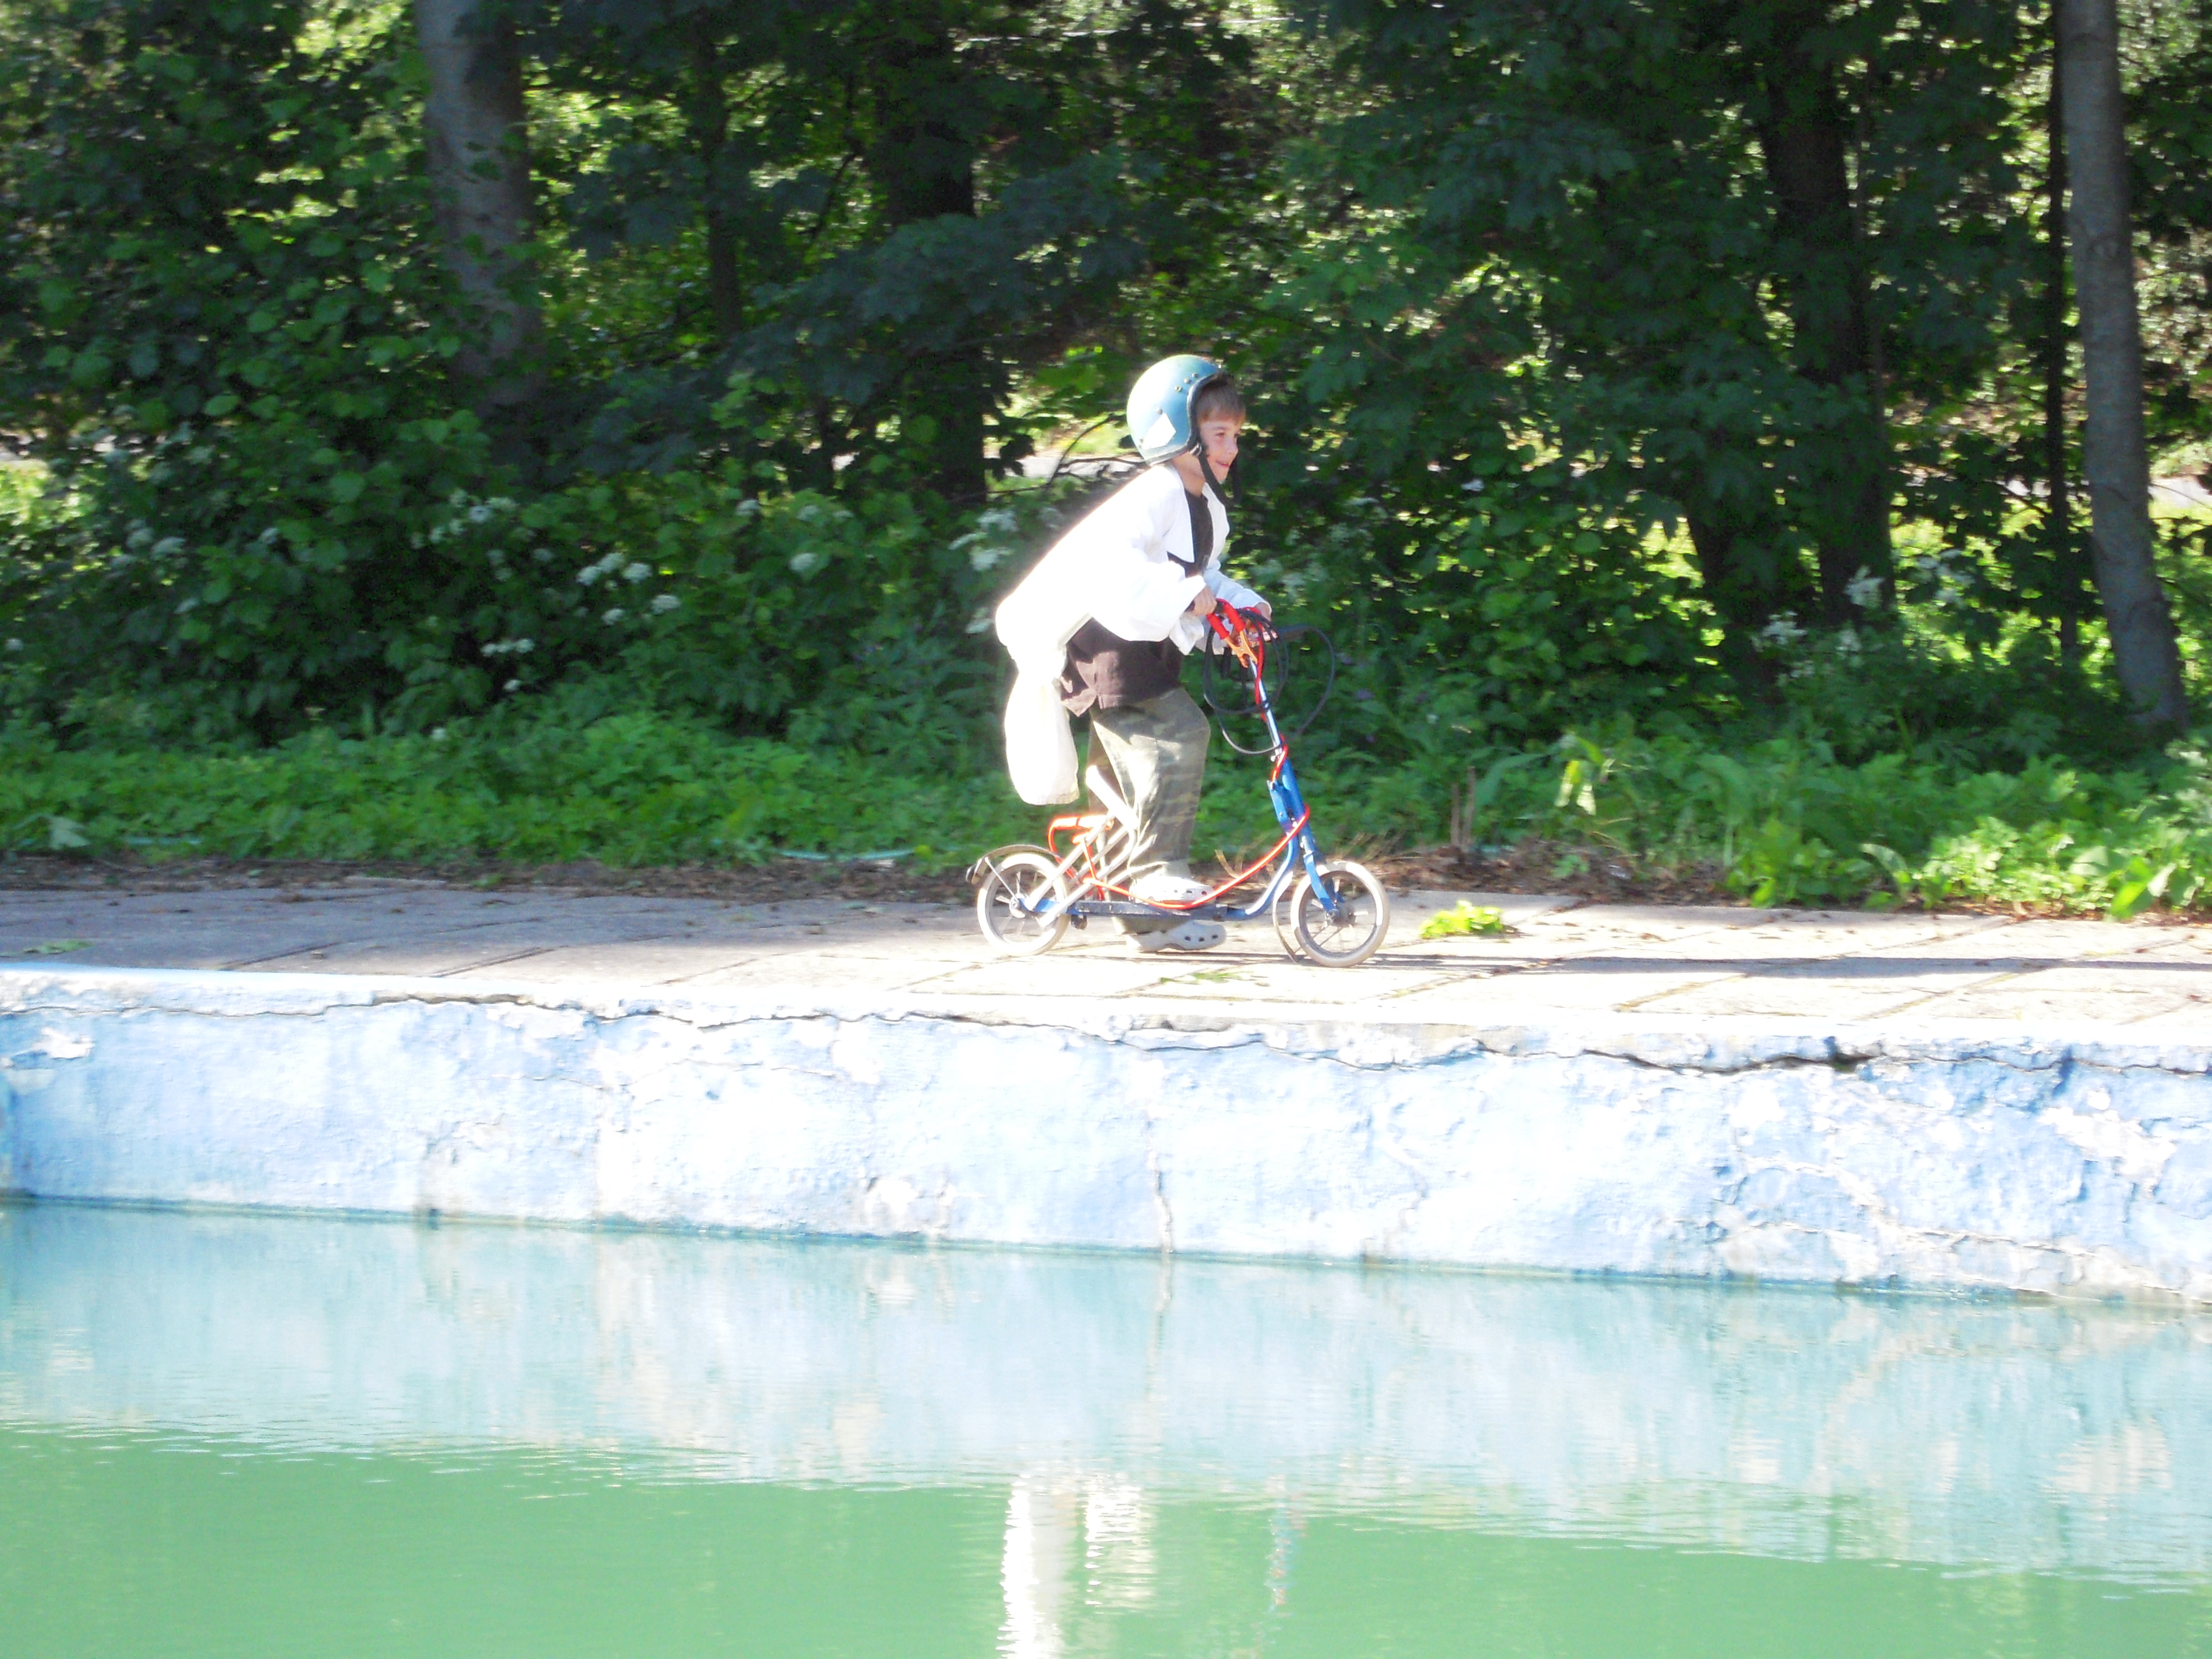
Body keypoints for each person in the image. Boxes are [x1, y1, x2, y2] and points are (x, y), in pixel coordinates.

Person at [994, 356, 1270, 953]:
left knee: (1120, 782)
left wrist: (1247, 609)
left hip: (1140, 647)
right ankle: (1157, 872)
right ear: (1178, 433)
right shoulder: (1154, 493)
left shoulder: (1206, 506)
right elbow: (1114, 566)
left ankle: (1142, 920)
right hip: (1103, 647)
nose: (1233, 447)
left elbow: (1202, 577)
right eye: (1221, 434)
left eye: (1237, 435)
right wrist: (1185, 592)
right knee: (1180, 733)